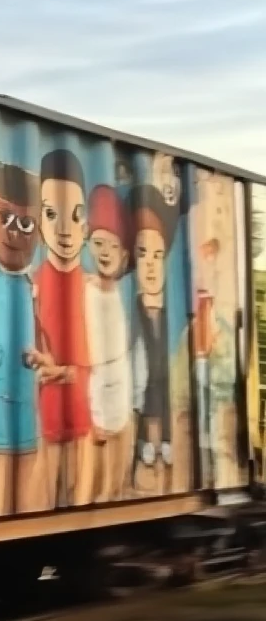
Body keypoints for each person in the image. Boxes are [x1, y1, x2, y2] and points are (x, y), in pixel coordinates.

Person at [0, 164, 44, 514]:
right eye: (4, 217)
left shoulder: (34, 287)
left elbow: (46, 338)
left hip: (26, 393)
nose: (13, 233)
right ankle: (1, 519)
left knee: (27, 462)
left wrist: (45, 361)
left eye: (25, 224)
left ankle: (24, 518)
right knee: (0, 465)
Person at [33, 149, 94, 508]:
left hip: (83, 408)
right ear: (39, 222)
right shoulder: (34, 284)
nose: (65, 230)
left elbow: (98, 360)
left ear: (86, 227)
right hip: (48, 409)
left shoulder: (89, 286)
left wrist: (65, 371)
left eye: (76, 216)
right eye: (52, 215)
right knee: (47, 493)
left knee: (79, 498)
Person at [84, 185, 133, 502]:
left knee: (120, 430)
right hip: (96, 373)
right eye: (98, 243)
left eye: (111, 246)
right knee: (98, 434)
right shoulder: (86, 290)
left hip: (119, 371)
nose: (104, 252)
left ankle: (115, 490)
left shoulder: (121, 294)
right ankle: (99, 494)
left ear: (124, 255)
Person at [131, 184, 175, 492]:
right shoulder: (134, 306)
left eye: (157, 255)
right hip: (140, 385)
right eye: (142, 253)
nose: (149, 264)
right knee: (147, 380)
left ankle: (166, 440)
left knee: (164, 379)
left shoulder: (169, 309)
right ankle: (146, 442)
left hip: (162, 373)